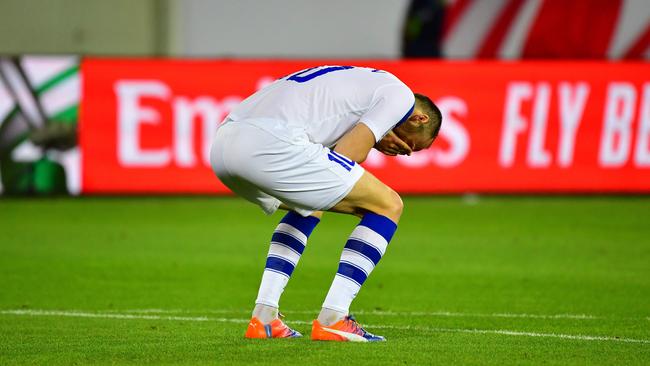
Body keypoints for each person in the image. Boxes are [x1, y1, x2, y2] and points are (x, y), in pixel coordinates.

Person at [209, 65, 442, 342]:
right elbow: (347, 154)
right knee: (388, 204)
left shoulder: (363, 81)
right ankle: (335, 318)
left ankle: (265, 319)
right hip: (270, 143)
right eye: (414, 146)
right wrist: (372, 139)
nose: (406, 151)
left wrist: (371, 136)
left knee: (308, 203)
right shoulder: (401, 97)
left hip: (224, 146)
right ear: (418, 119)